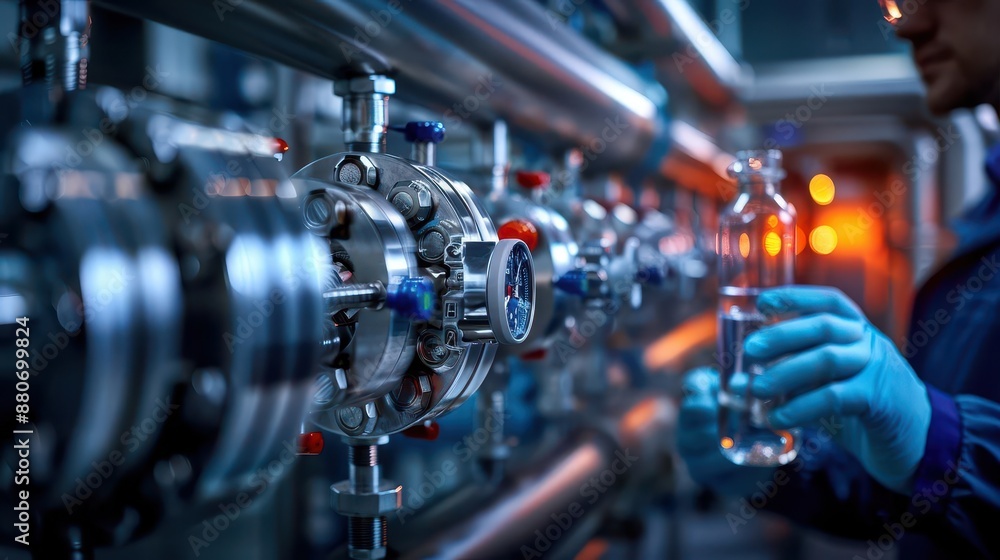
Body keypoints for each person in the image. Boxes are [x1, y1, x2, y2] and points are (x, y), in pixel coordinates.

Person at [678, 1, 1000, 558]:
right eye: (897, 3)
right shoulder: (984, 215)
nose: (911, 26)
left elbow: (936, 465)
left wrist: (941, 442)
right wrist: (784, 475)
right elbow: (914, 503)